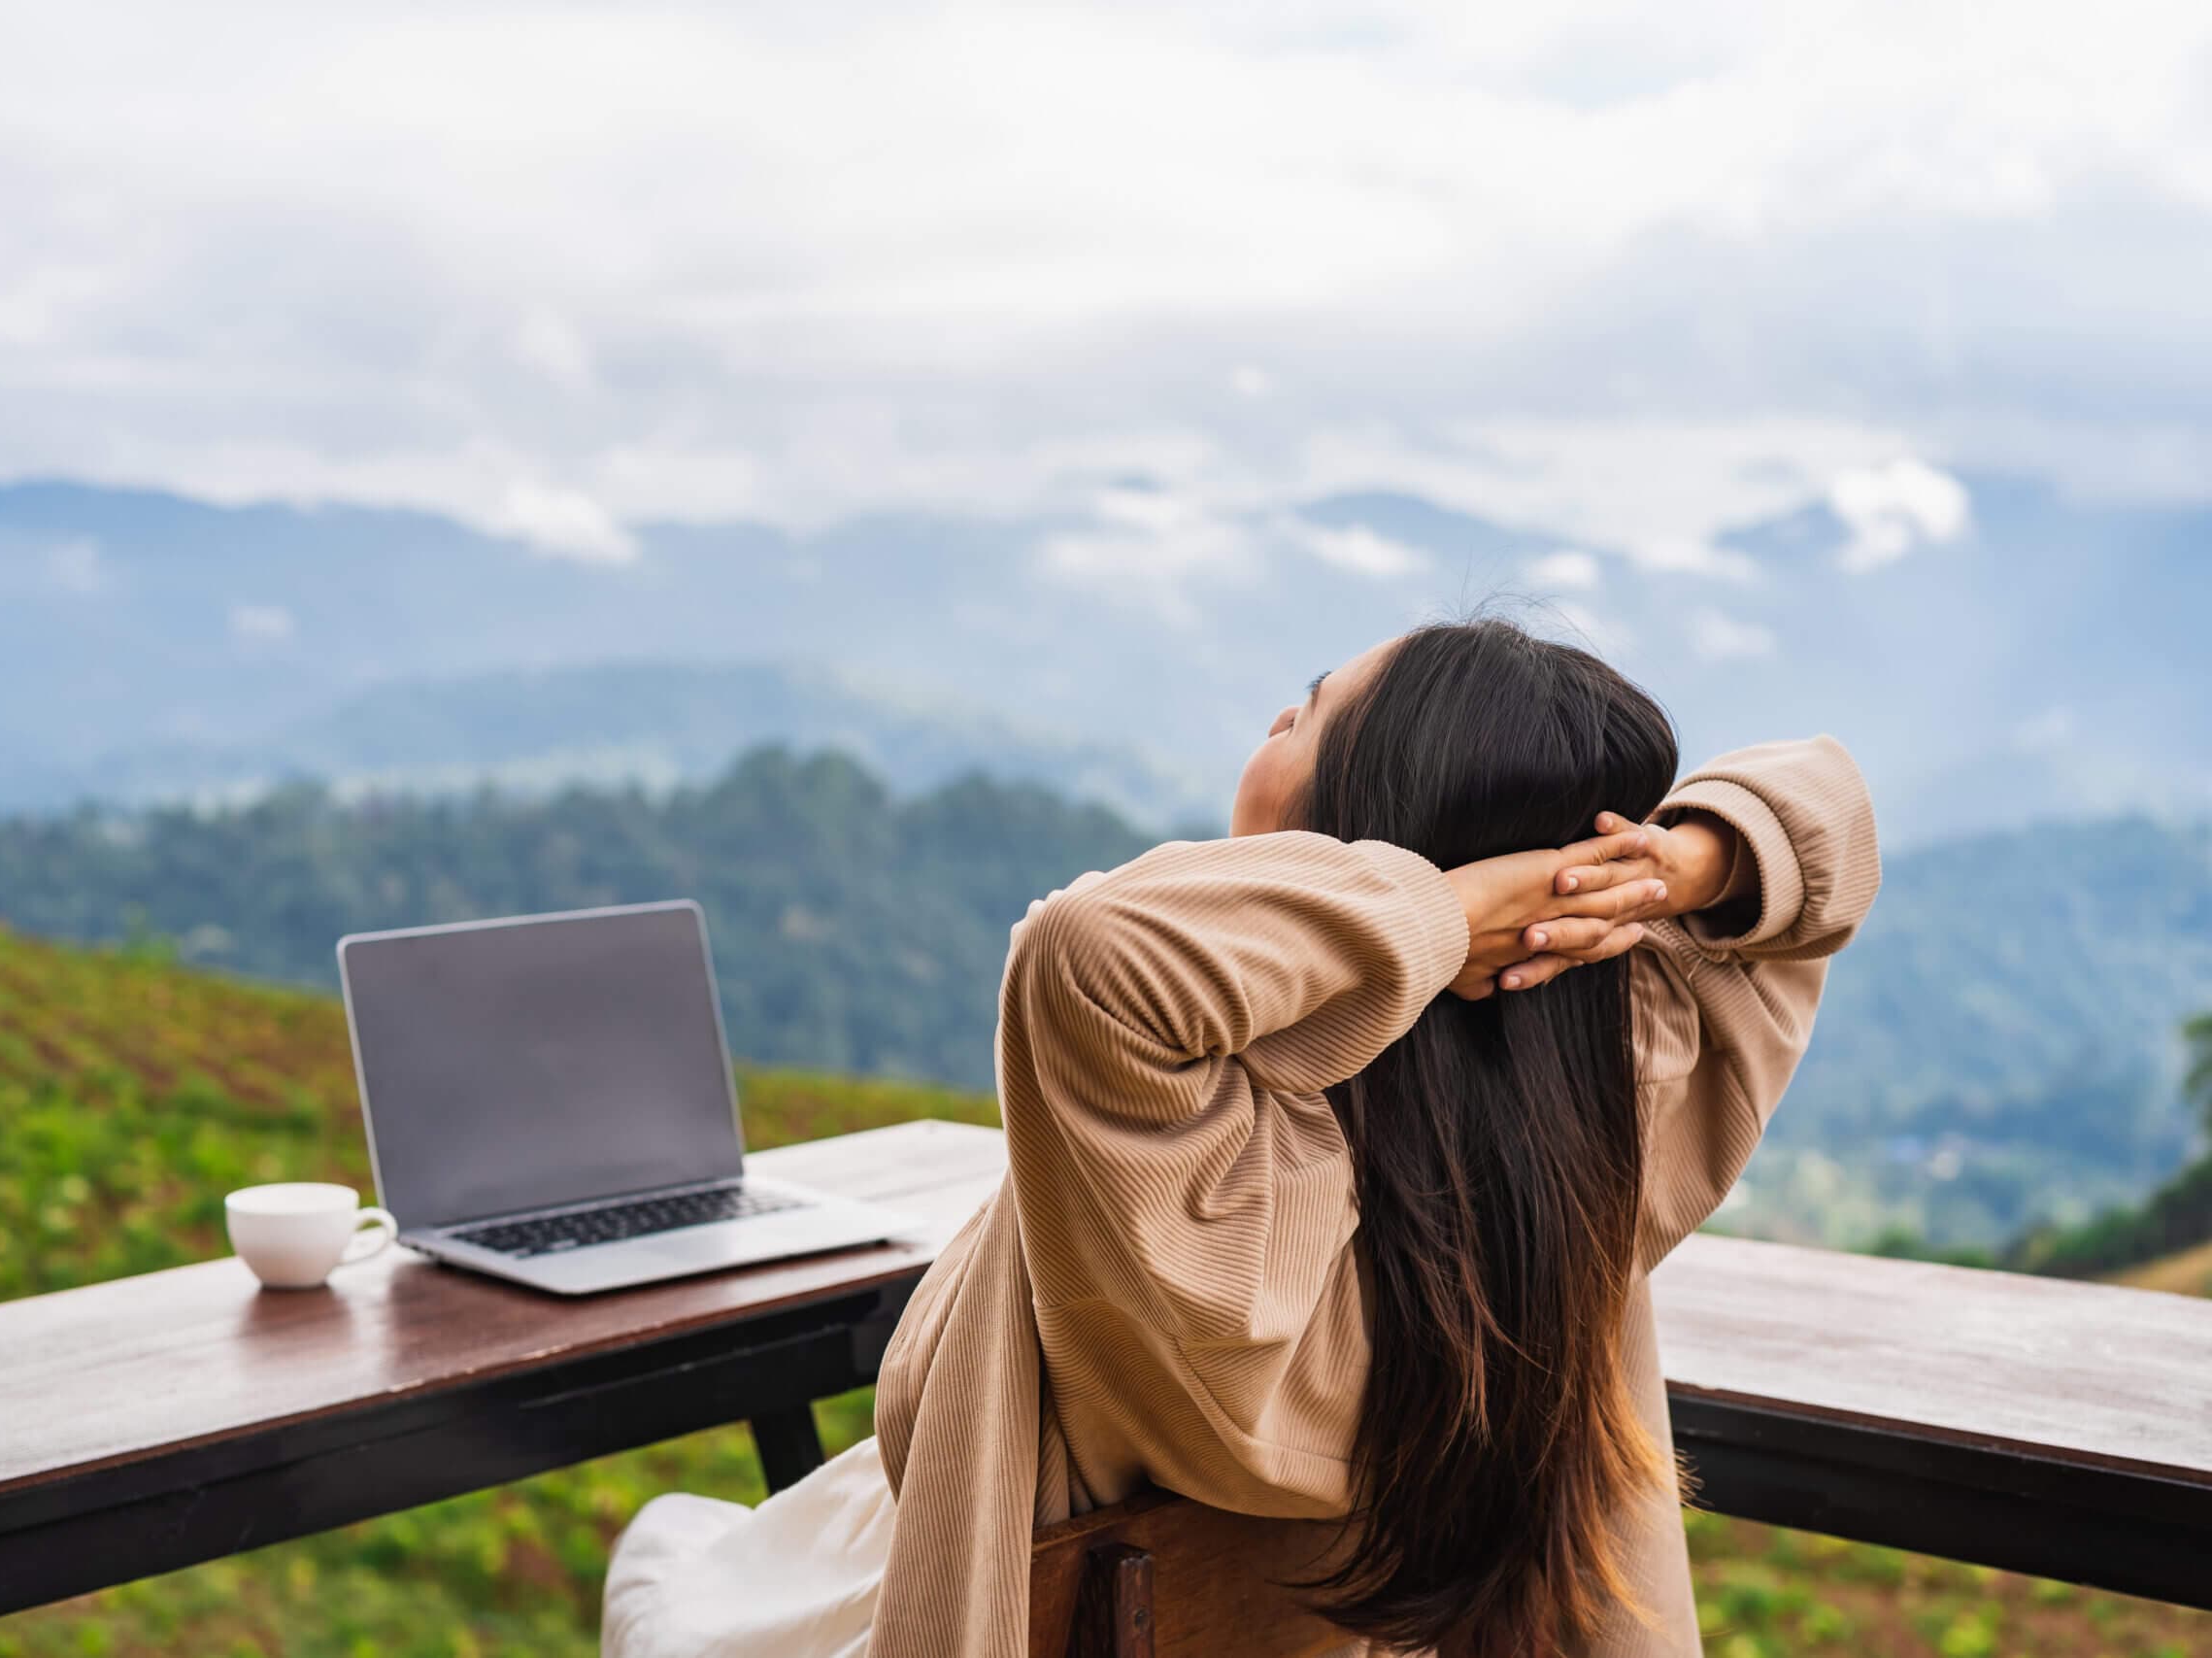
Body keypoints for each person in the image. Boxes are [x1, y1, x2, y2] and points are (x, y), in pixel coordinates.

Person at [603, 617, 1880, 1658]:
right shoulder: (1610, 1128)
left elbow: (1088, 954)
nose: (1269, 724)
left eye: (1304, 715)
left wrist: (1439, 910)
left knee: (671, 1544)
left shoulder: (1206, 1160)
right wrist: (1676, 869)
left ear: (1363, 846)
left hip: (953, 1596)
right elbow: (1827, 811)